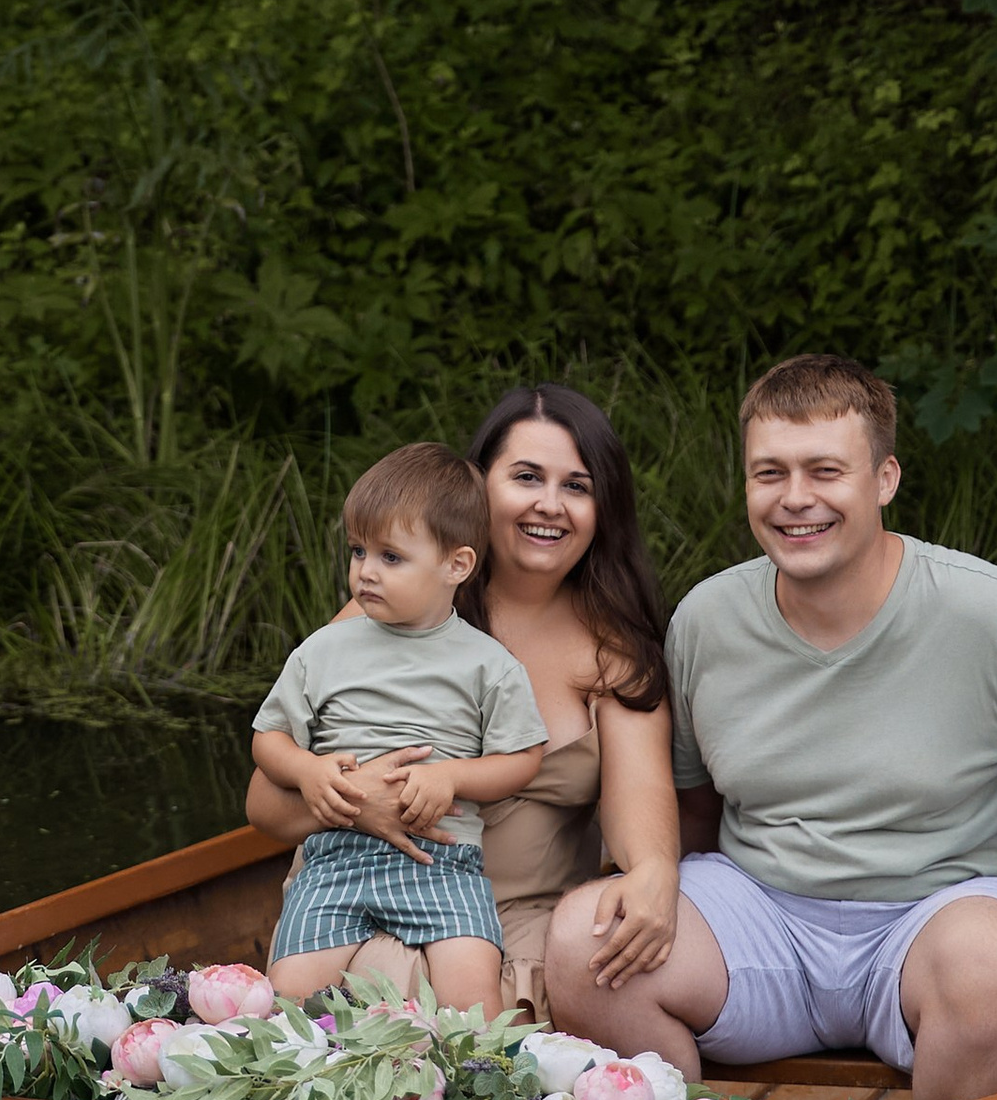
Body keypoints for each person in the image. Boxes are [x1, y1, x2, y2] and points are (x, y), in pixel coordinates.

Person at [543, 352, 997, 1100]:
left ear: (885, 479)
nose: (796, 499)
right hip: (764, 918)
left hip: (939, 915)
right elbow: (692, 808)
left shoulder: (994, 617)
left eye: (825, 471)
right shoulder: (707, 620)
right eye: (769, 474)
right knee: (579, 940)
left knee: (988, 965)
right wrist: (650, 891)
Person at [245, 382, 682, 1013]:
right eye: (527, 477)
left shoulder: (614, 650)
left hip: (525, 920)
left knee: (611, 961)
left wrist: (653, 873)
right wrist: (356, 800)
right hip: (369, 892)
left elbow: (640, 798)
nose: (550, 505)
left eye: (577, 486)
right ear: (479, 490)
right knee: (377, 991)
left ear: (602, 506)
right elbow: (264, 802)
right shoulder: (392, 613)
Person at [252, 443, 546, 1010]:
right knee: (286, 999)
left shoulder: (488, 664)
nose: (365, 571)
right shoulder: (324, 650)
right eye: (359, 551)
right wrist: (307, 770)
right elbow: (269, 738)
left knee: (474, 1001)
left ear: (456, 565)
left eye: (391, 557)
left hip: (445, 865)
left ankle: (473, 1090)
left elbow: (522, 759)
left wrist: (452, 779)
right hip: (335, 857)